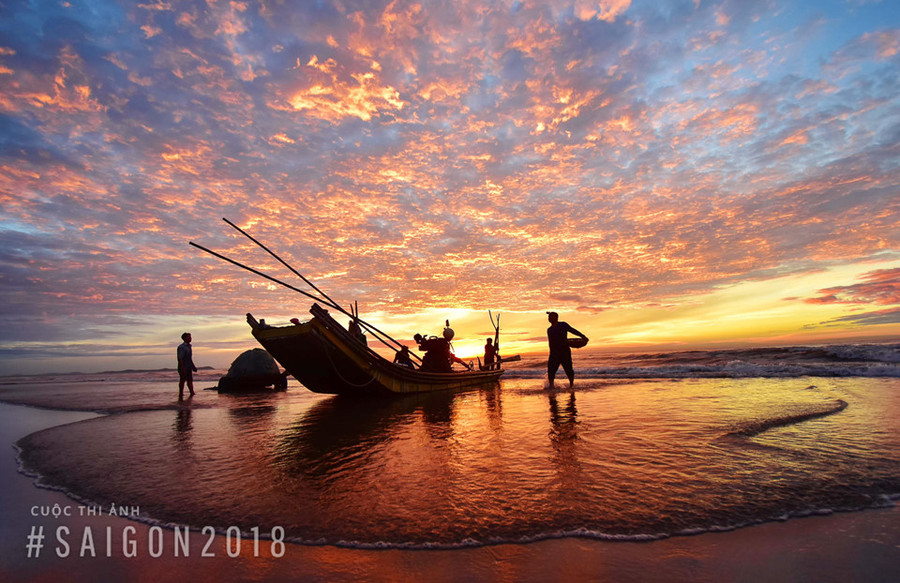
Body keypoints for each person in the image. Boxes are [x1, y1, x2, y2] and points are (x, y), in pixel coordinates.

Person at [546, 312, 587, 389]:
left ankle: (571, 385)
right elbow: (551, 343)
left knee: (568, 369)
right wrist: (551, 353)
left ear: (556, 317)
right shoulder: (549, 330)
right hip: (554, 353)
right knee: (551, 370)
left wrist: (583, 336)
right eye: (548, 317)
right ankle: (551, 386)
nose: (549, 318)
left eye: (550, 316)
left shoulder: (563, 325)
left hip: (564, 351)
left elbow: (572, 330)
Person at [177, 332, 197, 401]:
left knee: (190, 380)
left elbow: (189, 358)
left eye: (190, 337)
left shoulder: (189, 346)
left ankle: (192, 392)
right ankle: (180, 393)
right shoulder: (181, 347)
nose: (190, 338)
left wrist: (193, 366)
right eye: (189, 337)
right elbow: (180, 359)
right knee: (182, 380)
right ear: (184, 338)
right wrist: (182, 368)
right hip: (183, 367)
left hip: (188, 367)